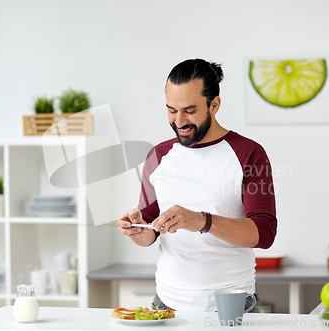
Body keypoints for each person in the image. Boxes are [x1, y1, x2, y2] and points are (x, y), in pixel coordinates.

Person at [117, 58, 277, 312]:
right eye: (171, 110)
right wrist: (137, 228)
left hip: (231, 306)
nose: (179, 121)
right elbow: (150, 231)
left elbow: (264, 233)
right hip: (166, 305)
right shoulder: (157, 156)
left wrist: (202, 221)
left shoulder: (249, 153)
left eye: (189, 110)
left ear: (214, 105)